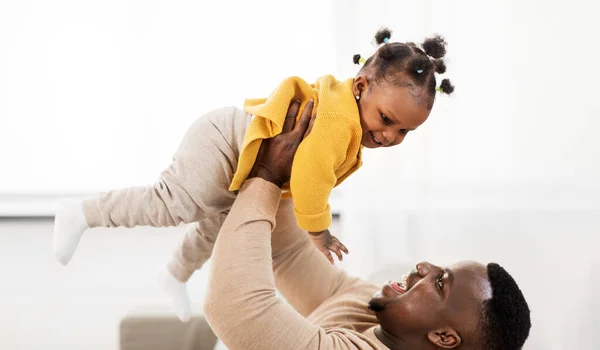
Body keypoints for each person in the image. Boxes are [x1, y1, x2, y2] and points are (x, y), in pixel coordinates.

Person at [51, 27, 455, 321]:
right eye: (386, 119)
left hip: (241, 160)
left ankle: (174, 273)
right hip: (224, 144)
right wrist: (319, 231)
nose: (389, 136)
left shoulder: (351, 115)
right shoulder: (340, 121)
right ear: (361, 86)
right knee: (170, 205)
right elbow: (312, 174)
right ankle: (83, 213)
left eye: (404, 131)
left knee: (215, 229)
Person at [203, 100, 532, 350]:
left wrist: (266, 176)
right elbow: (289, 255)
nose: (424, 266)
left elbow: (234, 309)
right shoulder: (379, 313)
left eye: (441, 282)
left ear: (444, 337)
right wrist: (297, 162)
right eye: (440, 268)